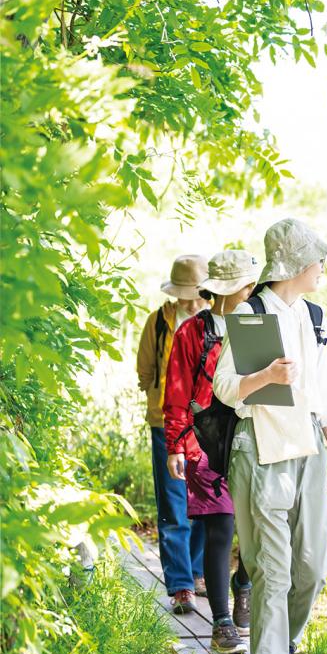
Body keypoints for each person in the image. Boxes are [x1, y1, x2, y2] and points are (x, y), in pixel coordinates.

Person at [213, 218, 327, 654]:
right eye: (318, 259)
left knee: (311, 566)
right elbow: (225, 389)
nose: (323, 268)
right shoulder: (250, 315)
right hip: (261, 448)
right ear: (295, 263)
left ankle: (280, 647)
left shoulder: (314, 316)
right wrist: (265, 375)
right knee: (272, 568)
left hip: (308, 447)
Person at [163, 250, 259, 654]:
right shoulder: (192, 332)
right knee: (220, 528)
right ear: (231, 290)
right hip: (203, 443)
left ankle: (243, 584)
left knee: (253, 530)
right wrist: (175, 445)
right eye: (249, 287)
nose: (255, 292)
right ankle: (221, 622)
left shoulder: (256, 327)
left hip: (250, 439)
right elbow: (177, 392)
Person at [136, 254, 209, 613]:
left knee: (204, 504)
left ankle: (196, 572)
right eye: (183, 293)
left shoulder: (214, 321)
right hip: (165, 423)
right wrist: (158, 401)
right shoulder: (159, 322)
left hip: (207, 426)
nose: (188, 300)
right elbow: (145, 368)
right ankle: (181, 584)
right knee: (173, 502)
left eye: (193, 293)